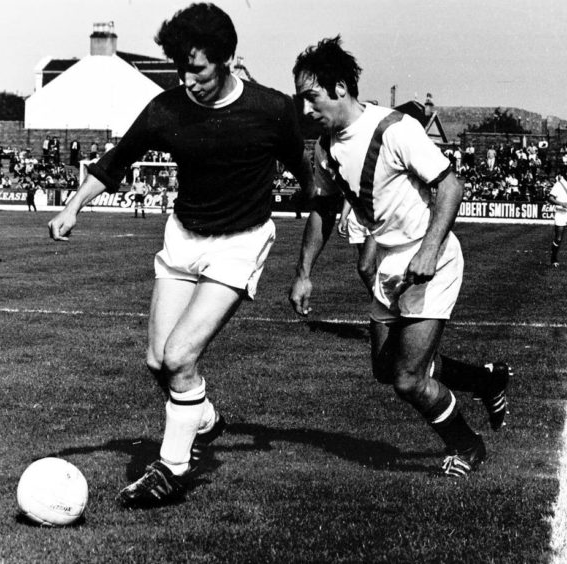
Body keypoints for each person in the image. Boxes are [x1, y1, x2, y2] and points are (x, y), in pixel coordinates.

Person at [47, 2, 311, 506]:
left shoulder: (271, 109)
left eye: (198, 68)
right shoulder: (166, 109)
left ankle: (171, 469)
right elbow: (114, 162)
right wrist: (73, 206)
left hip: (239, 243)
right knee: (156, 362)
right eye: (180, 69)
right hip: (184, 238)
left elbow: (304, 167)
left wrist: (323, 206)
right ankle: (204, 417)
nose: (188, 79)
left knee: (179, 356)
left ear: (228, 58)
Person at [290, 36, 510, 478]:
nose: (306, 110)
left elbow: (451, 186)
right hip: (390, 262)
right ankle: (487, 381)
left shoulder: (395, 130)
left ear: (338, 89)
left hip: (432, 259)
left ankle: (467, 446)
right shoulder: (325, 147)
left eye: (311, 97)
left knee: (408, 379)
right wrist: (304, 273)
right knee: (387, 370)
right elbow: (326, 208)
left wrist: (429, 249)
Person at [337, 200, 377, 297]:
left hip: (377, 214)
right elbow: (350, 189)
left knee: (365, 268)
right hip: (357, 218)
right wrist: (343, 216)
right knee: (370, 272)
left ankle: (385, 306)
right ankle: (381, 307)